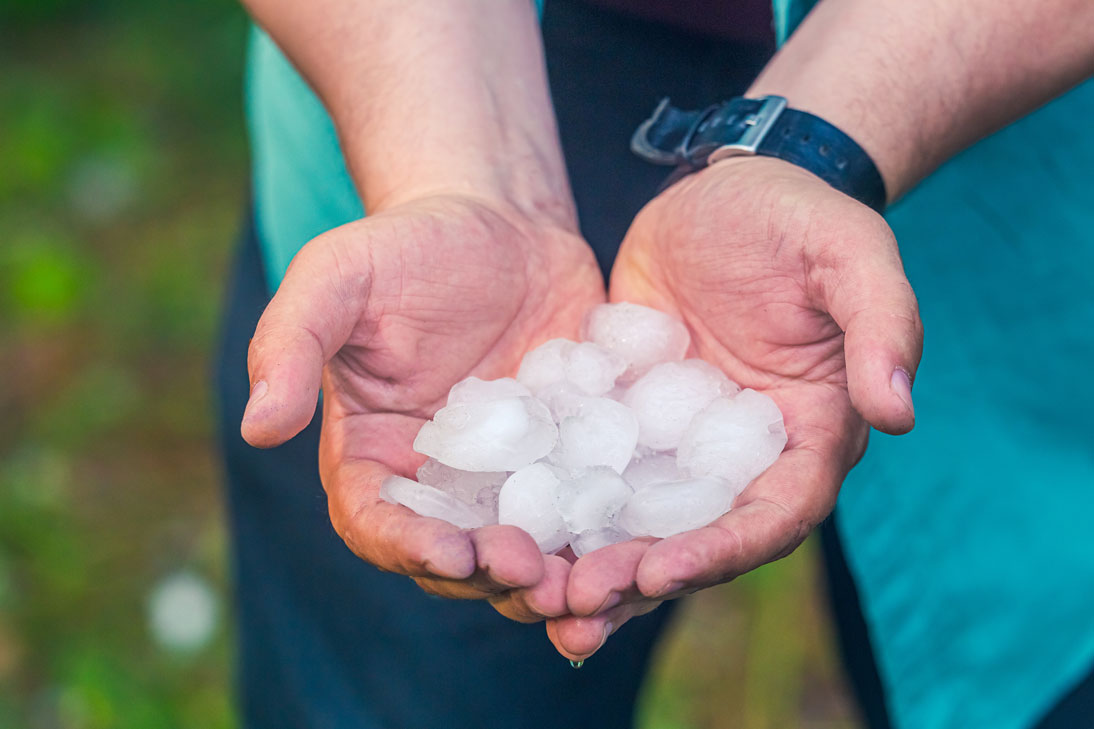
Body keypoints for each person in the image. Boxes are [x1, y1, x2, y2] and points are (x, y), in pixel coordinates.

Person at [215, 0, 1094, 727]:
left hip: (996, 109)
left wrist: (808, 153)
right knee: (407, 687)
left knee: (1031, 634)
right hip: (413, 62)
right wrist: (453, 179)